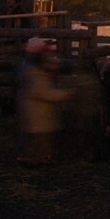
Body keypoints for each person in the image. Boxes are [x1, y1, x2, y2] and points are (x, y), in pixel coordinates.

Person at [17, 37, 72, 165]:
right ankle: (35, 159)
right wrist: (66, 94)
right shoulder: (36, 75)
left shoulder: (27, 69)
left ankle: (34, 157)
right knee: (39, 139)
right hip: (38, 116)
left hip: (35, 115)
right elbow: (44, 93)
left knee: (34, 138)